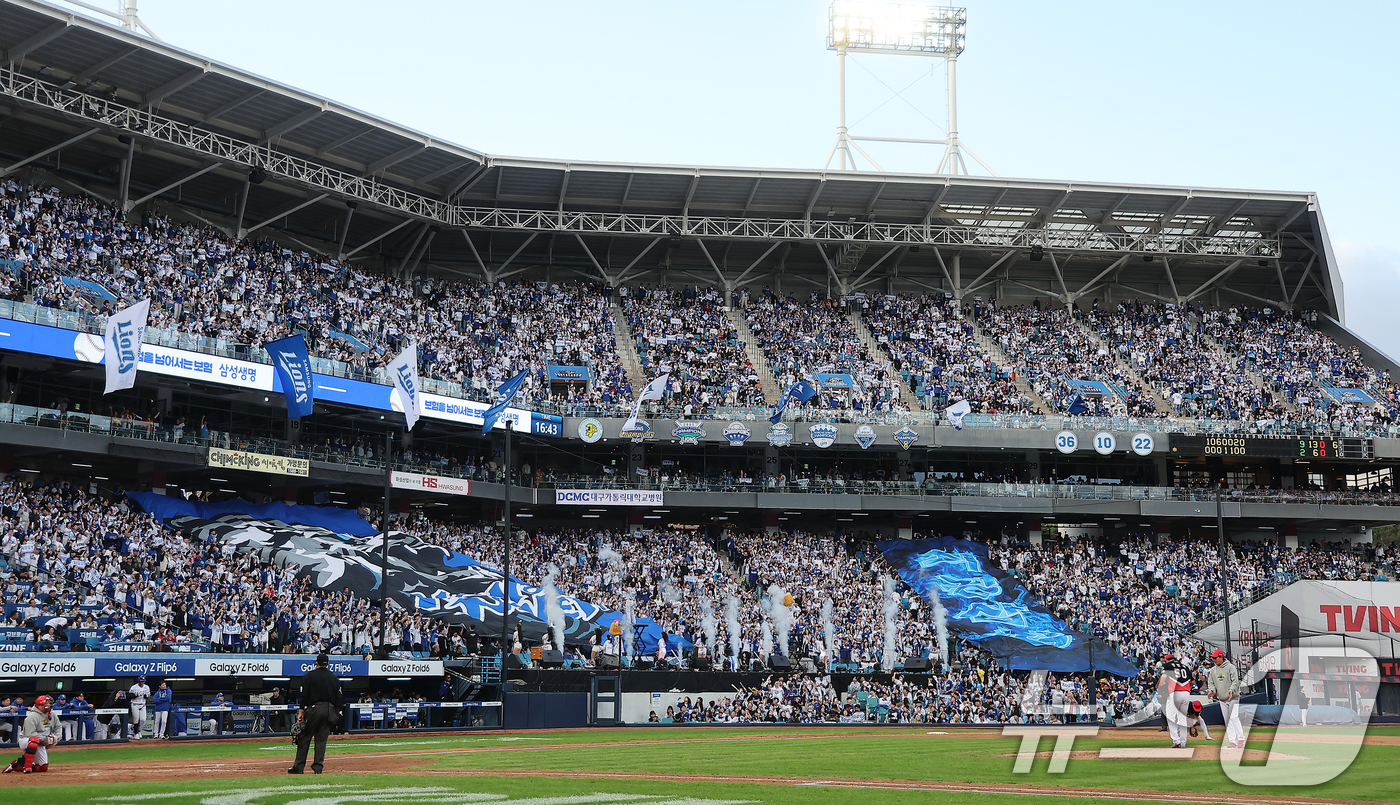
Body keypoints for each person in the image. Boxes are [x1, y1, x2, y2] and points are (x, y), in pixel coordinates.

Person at [289, 653, 343, 775]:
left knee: (304, 737)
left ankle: (298, 767)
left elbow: (304, 696)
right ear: (328, 664)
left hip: (314, 709)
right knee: (321, 740)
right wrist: (336, 713)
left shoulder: (309, 676)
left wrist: (301, 711)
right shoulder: (334, 677)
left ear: (316, 663)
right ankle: (318, 768)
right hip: (329, 709)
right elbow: (339, 698)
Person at [2, 694, 56, 774]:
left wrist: (53, 739)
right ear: (40, 705)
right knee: (34, 741)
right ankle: (27, 767)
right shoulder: (32, 717)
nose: (48, 705)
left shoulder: (50, 715)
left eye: (48, 704)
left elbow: (55, 727)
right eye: (46, 704)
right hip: (26, 740)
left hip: (39, 742)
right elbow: (31, 734)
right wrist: (44, 739)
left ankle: (16, 765)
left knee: (42, 768)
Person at [1205, 649, 1244, 748]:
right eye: (1213, 658)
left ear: (1221, 657)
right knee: (1227, 720)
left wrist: (1231, 690)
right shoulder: (1213, 670)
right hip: (1222, 698)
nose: (1214, 660)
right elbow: (1211, 682)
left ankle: (1241, 738)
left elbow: (1235, 681)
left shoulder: (1230, 667)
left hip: (1233, 697)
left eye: (1215, 658)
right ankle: (1232, 741)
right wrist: (1212, 690)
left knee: (1234, 717)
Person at [1158, 652, 1193, 748]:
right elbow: (1192, 681)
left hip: (1174, 693)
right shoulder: (1185, 666)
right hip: (1186, 693)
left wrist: (1159, 687)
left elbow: (1164, 677)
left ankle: (1176, 740)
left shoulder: (1167, 665)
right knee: (1182, 718)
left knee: (1170, 717)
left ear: (1168, 660)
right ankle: (1183, 742)